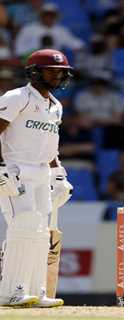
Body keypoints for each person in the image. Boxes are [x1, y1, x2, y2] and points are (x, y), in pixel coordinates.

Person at [0, 49, 74, 307]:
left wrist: (58, 174)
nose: (57, 74)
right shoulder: (17, 97)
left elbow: (50, 144)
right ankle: (10, 291)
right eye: (51, 70)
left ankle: (36, 290)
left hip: (42, 171)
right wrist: (0, 168)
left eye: (61, 71)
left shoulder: (56, 105)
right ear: (34, 71)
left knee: (41, 232)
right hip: (15, 168)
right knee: (22, 226)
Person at [14, 3, 84, 57]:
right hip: (33, 60)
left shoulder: (61, 30)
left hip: (55, 61)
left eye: (52, 15)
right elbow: (19, 49)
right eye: (46, 15)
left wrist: (78, 48)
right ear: (41, 16)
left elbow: (75, 43)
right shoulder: (29, 28)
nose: (49, 17)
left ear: (56, 16)